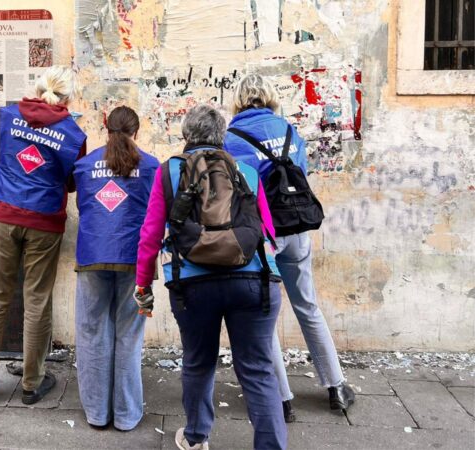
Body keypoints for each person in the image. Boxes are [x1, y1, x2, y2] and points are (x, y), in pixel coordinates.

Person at [136, 104, 287, 450]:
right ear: (222, 136)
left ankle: (195, 437)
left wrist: (143, 284)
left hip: (193, 285)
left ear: (186, 135)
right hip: (254, 281)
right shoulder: (246, 171)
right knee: (258, 370)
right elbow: (267, 231)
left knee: (198, 362)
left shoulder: (169, 171)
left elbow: (149, 236)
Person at [223, 74, 355, 423]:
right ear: (269, 96)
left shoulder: (230, 139)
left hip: (261, 235)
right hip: (296, 229)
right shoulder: (288, 130)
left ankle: (281, 399)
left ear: (238, 100)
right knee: (307, 306)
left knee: (263, 316)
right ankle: (337, 387)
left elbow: (234, 193)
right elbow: (302, 172)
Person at [0, 66, 87, 405]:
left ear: (37, 89)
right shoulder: (73, 135)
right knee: (37, 300)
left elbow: (7, 154)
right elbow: (72, 184)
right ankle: (32, 384)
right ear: (67, 98)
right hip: (44, 220)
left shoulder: (8, 116)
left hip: (5, 214)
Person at [73, 106, 159, 431]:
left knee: (92, 333)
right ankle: (126, 416)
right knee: (130, 336)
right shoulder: (152, 166)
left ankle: (97, 413)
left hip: (91, 255)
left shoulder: (84, 166)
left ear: (105, 129)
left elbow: (84, 205)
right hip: (138, 261)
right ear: (136, 132)